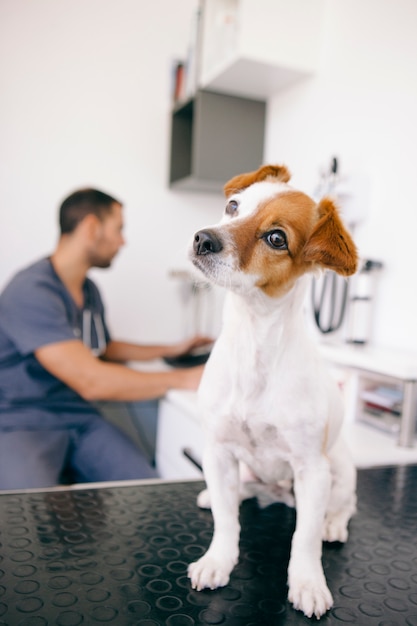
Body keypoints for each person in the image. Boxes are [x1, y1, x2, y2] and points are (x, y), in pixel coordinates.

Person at [0, 188, 209, 490]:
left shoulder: (88, 290)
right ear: (91, 228)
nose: (123, 241)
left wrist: (173, 348)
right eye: (119, 229)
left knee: (148, 493)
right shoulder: (31, 291)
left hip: (80, 418)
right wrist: (184, 378)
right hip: (22, 422)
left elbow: (102, 347)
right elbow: (91, 381)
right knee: (28, 518)